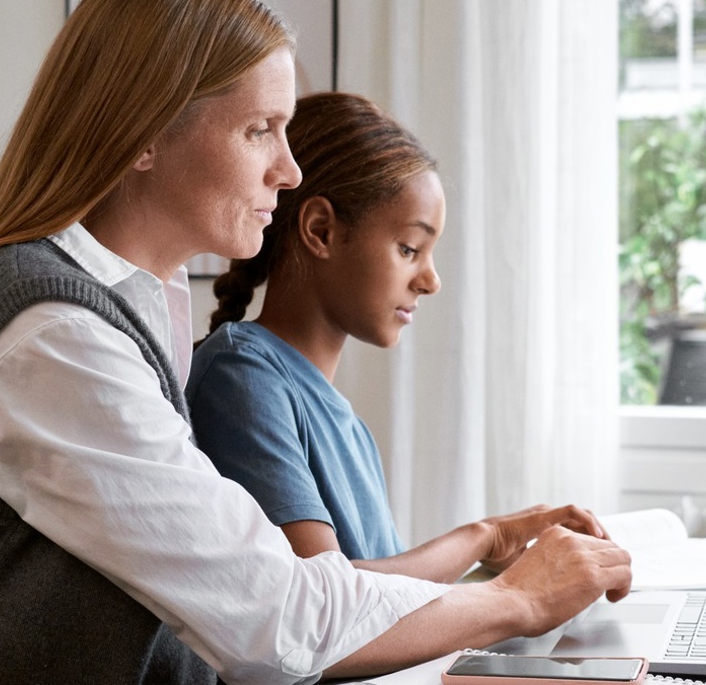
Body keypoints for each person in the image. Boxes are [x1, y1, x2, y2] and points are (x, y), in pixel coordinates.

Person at [0, 0, 633, 685]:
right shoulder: (49, 339)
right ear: (144, 134)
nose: (287, 170)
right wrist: (519, 601)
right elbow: (278, 622)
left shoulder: (112, 311)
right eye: (259, 131)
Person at [188, 92, 606, 586]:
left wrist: (489, 570)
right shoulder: (241, 377)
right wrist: (482, 536)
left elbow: (385, 603)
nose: (430, 280)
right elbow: (324, 599)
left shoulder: (351, 430)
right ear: (320, 230)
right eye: (409, 248)